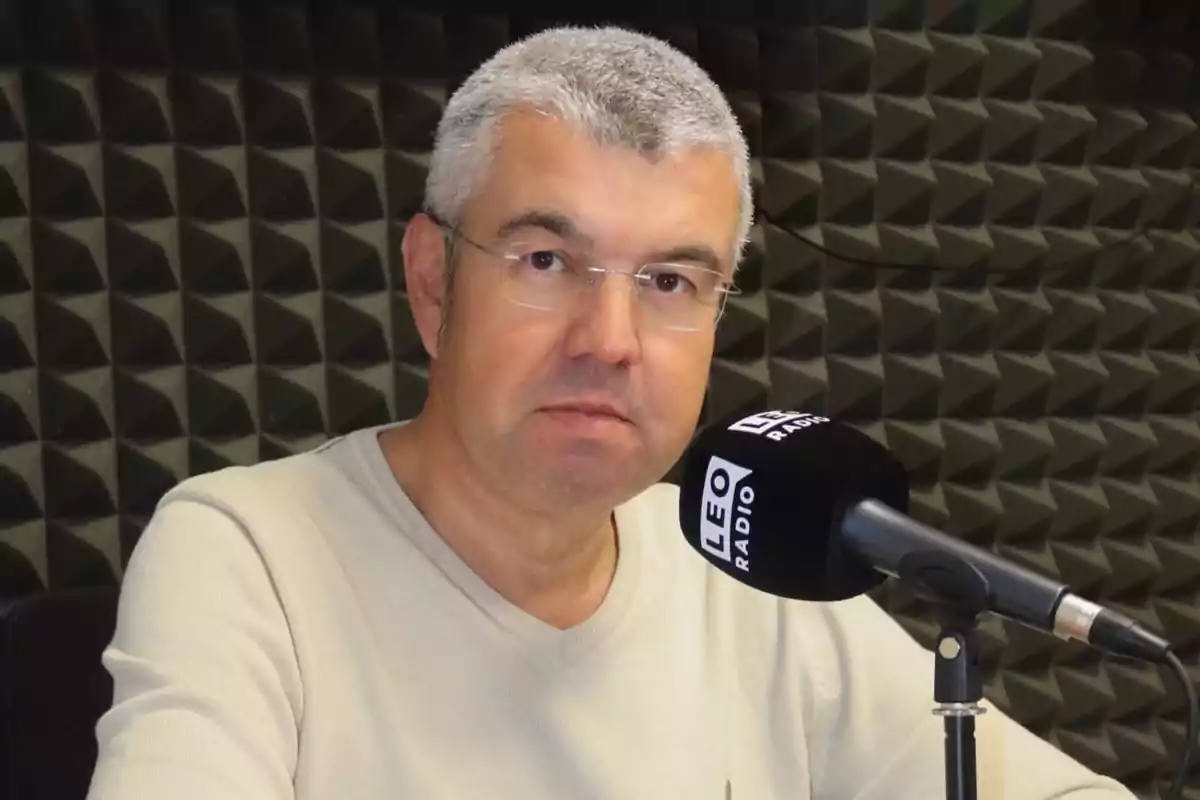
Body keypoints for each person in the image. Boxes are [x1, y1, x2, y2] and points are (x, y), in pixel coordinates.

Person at [86, 26, 1137, 799]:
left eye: (671, 281)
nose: (611, 336)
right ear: (434, 281)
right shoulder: (248, 549)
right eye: (547, 260)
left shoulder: (741, 561)